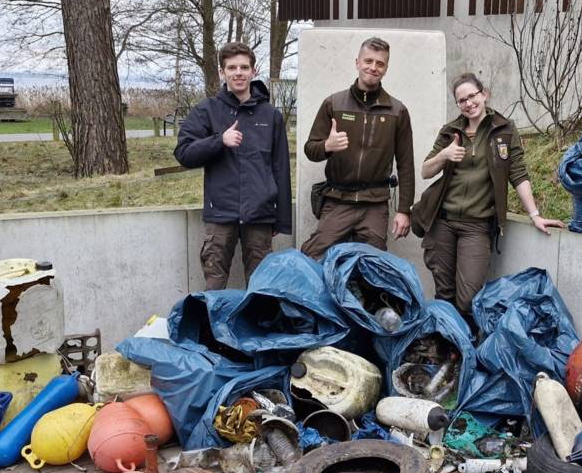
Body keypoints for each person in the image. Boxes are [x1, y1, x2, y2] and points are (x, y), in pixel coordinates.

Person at [411, 73, 564, 329]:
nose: (468, 103)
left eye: (472, 96)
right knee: (444, 292)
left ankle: (465, 342)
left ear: (484, 94)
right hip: (443, 223)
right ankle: (448, 347)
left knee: (469, 296)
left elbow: (518, 173)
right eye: (462, 100)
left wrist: (535, 214)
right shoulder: (451, 131)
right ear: (457, 104)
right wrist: (445, 155)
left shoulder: (504, 129)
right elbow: (426, 170)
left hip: (477, 226)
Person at [174, 42, 291, 290]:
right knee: (215, 284)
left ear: (253, 71)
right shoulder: (207, 110)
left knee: (262, 288)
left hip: (259, 215)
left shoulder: (271, 116)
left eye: (244, 67)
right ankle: (210, 330)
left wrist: (280, 220)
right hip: (221, 214)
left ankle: (257, 328)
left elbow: (281, 169)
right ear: (222, 72)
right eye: (232, 67)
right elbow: (184, 153)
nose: (238, 72)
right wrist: (219, 141)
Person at [300, 37, 415, 260]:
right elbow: (309, 150)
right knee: (311, 257)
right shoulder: (333, 103)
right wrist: (327, 146)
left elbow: (406, 165)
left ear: (386, 68)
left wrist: (404, 210)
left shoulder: (397, 111)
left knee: (374, 268)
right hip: (337, 200)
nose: (373, 67)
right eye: (368, 61)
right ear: (357, 62)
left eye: (380, 63)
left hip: (374, 204)